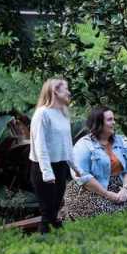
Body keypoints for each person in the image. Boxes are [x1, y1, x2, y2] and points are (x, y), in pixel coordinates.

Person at [60, 106, 127, 219]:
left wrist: (125, 189)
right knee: (103, 210)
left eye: (113, 119)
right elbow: (83, 176)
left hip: (120, 184)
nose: (114, 122)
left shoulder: (122, 141)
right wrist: (106, 194)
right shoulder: (83, 145)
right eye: (110, 120)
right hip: (92, 188)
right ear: (98, 123)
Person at [29, 78, 81, 233]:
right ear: (55, 91)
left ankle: (55, 242)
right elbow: (40, 145)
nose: (69, 92)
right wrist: (47, 172)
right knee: (48, 212)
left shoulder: (63, 114)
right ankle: (43, 245)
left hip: (59, 167)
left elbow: (67, 145)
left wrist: (75, 168)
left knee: (54, 209)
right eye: (66, 89)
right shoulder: (42, 114)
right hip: (43, 168)